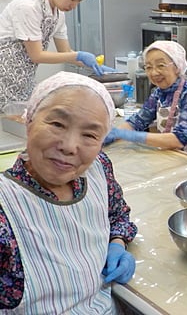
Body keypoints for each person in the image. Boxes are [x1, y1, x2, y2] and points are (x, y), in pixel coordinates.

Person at [0, 72, 137, 312]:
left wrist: (117, 243)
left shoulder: (98, 170)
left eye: (90, 135)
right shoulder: (5, 208)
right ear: (29, 121)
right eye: (57, 124)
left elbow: (117, 216)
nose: (69, 146)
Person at [0, 0, 112, 111]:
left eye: (78, 2)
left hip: (23, 78)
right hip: (4, 75)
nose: (73, 6)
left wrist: (93, 65)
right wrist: (78, 56)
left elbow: (65, 52)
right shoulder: (27, 6)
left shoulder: (58, 13)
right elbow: (37, 55)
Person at [104, 40, 187, 162]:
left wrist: (133, 136)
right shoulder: (158, 93)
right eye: (148, 67)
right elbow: (137, 121)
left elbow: (179, 140)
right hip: (172, 155)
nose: (154, 72)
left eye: (161, 65)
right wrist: (113, 134)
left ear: (177, 67)